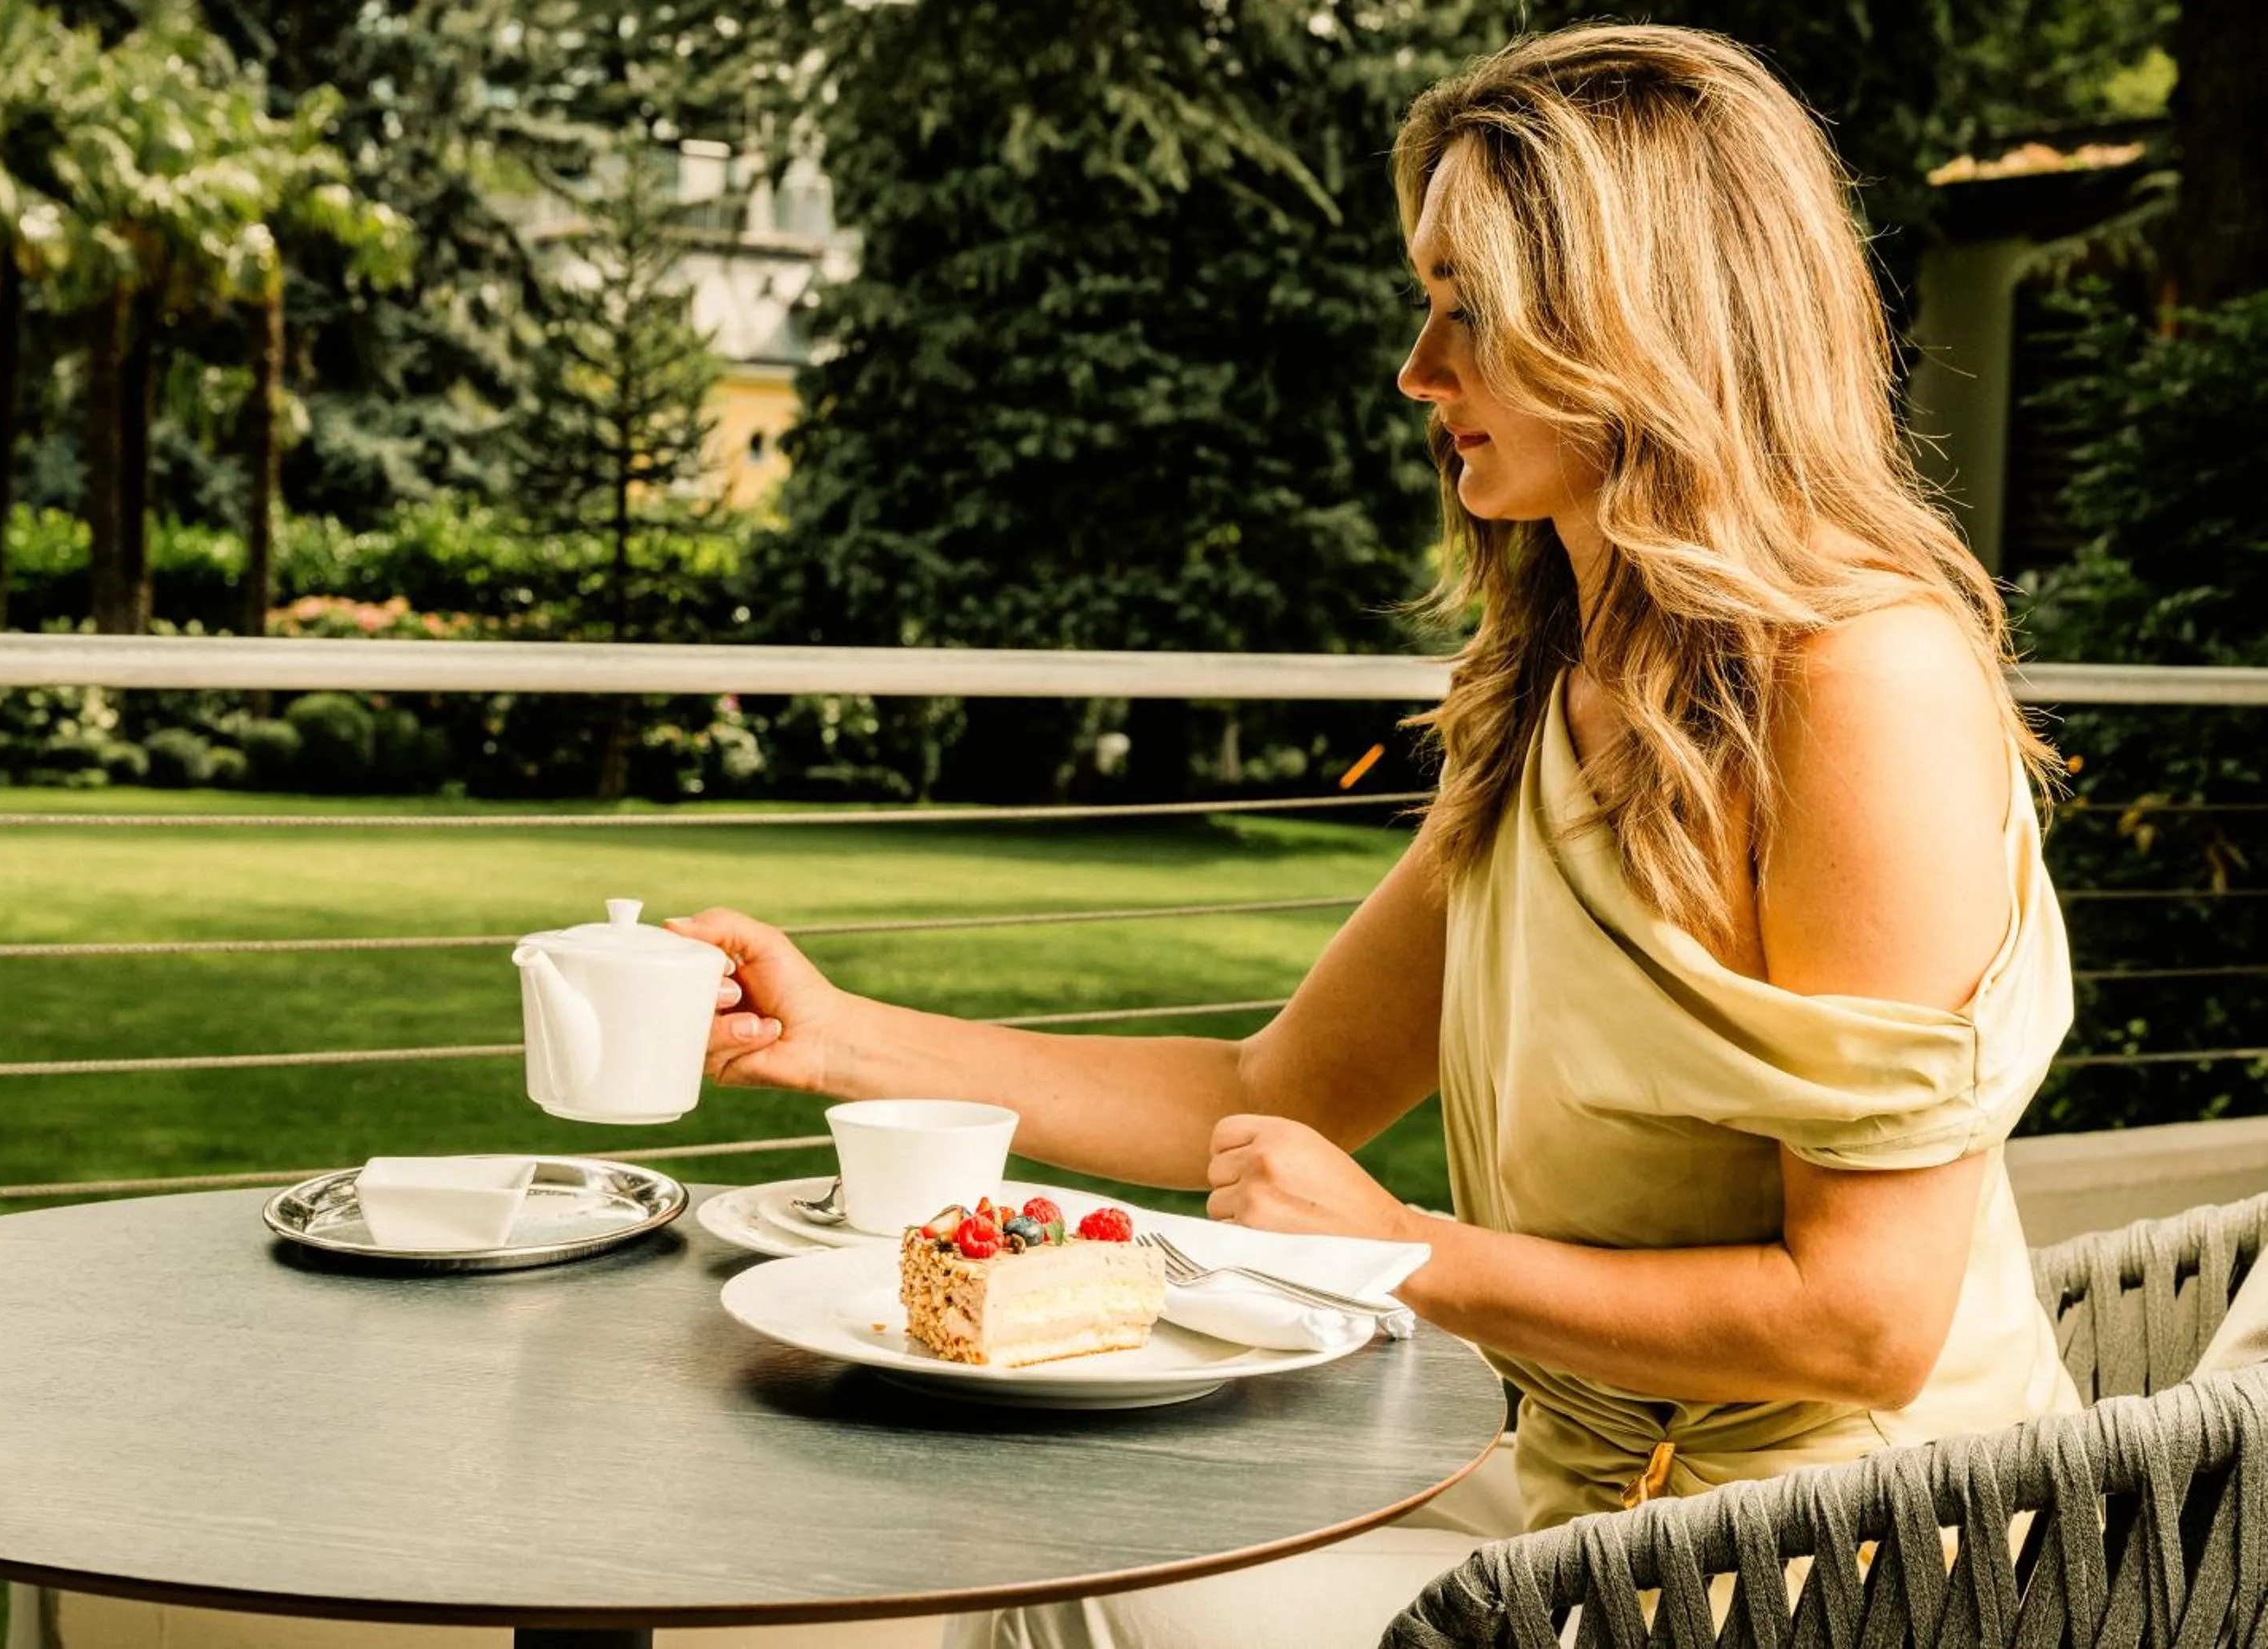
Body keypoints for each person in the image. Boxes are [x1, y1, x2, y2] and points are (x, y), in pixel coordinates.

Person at [670, 22, 2081, 1647]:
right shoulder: (1560, 686)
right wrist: (838, 1034)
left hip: (1868, 1559)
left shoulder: (1860, 683)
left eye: (1468, 308)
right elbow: (1265, 1093)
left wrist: (1406, 1251)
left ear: (1636, 322)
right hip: (1578, 1493)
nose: (1420, 371)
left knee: (1109, 1612)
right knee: (1051, 1548)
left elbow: (1863, 1326)